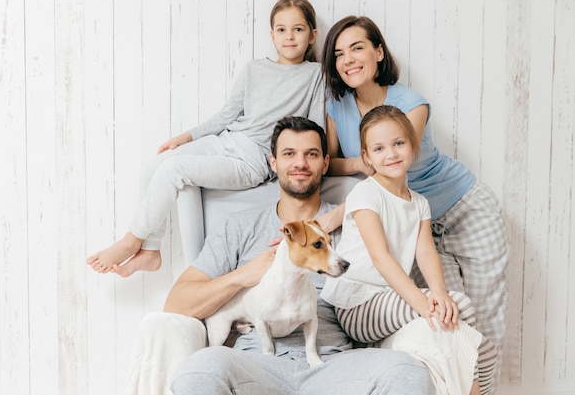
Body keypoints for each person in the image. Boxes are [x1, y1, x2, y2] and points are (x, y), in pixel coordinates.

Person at [123, 117, 435, 395]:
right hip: (255, 363)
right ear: (273, 162)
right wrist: (242, 276)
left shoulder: (355, 222)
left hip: (332, 362)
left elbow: (395, 261)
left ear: (326, 163)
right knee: (200, 369)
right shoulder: (241, 227)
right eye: (289, 154)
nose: (300, 162)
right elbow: (177, 303)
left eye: (311, 154)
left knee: (406, 372)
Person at [318, 15, 509, 384]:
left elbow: (389, 169)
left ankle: (483, 389)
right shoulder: (336, 104)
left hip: (460, 206)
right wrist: (359, 162)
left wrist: (336, 215)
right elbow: (332, 164)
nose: (348, 59)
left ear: (378, 52)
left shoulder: (412, 104)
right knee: (448, 311)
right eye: (339, 53)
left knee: (481, 313)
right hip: (414, 228)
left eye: (357, 47)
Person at [86, 0, 326, 277]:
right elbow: (228, 114)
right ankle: (150, 250)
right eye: (282, 30)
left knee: (174, 170)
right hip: (225, 140)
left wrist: (310, 164)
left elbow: (316, 126)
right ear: (272, 35)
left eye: (298, 29)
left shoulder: (315, 74)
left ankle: (131, 239)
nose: (289, 37)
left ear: (312, 35)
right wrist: (187, 136)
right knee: (153, 166)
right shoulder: (254, 69)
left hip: (252, 161)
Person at [320, 105, 496, 395]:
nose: (391, 154)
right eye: (379, 148)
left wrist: (438, 291)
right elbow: (380, 257)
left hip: (390, 302)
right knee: (460, 307)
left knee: (482, 348)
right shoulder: (365, 194)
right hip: (358, 304)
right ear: (367, 157)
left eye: (398, 143)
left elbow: (426, 252)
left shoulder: (419, 202)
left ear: (413, 146)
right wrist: (423, 303)